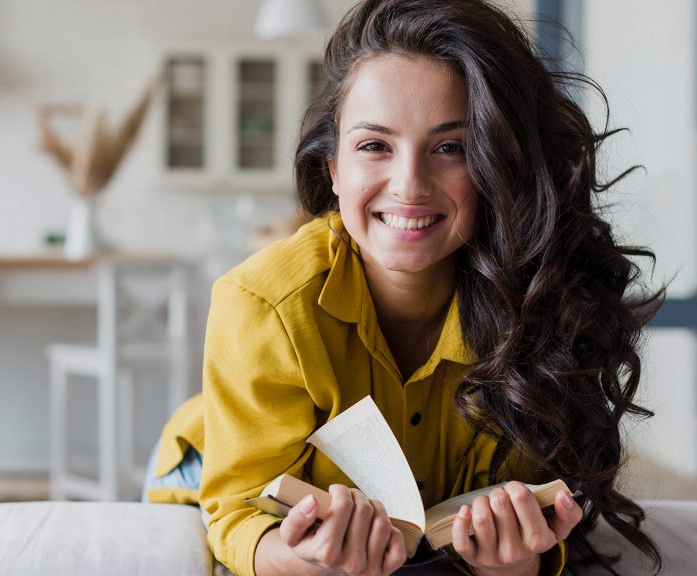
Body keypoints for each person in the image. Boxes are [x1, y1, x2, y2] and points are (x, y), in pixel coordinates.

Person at [144, 1, 664, 575]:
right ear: (334, 168)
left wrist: (513, 564)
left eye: (452, 148)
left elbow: (537, 516)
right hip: (209, 465)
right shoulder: (262, 303)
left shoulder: (541, 307)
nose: (409, 184)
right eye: (374, 146)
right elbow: (237, 517)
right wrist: (305, 561)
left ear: (498, 165)